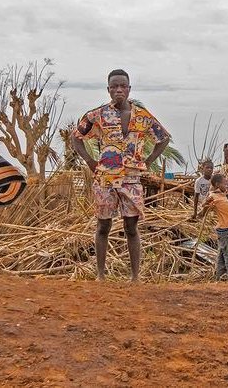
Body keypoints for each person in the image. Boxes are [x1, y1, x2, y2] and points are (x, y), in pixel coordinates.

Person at [71, 69, 171, 282]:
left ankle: (135, 277)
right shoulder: (96, 115)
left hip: (132, 179)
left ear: (129, 89)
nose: (118, 90)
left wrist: (149, 160)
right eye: (114, 86)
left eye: (122, 86)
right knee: (103, 225)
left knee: (131, 227)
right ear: (108, 90)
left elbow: (163, 138)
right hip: (105, 178)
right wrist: (90, 161)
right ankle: (100, 275)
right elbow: (76, 137)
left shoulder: (143, 117)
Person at [199, 173, 228, 281]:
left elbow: (224, 187)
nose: (227, 186)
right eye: (225, 184)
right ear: (217, 184)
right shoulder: (213, 196)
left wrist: (227, 180)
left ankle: (219, 276)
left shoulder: (221, 194)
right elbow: (203, 204)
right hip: (224, 230)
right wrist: (207, 204)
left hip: (227, 228)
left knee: (222, 253)